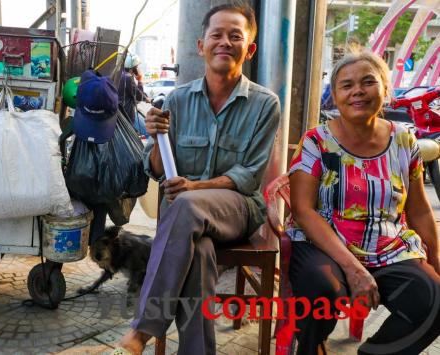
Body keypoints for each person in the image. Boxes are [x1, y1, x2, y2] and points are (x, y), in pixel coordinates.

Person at [113, 2, 281, 354]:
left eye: (235, 36)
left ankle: (141, 332)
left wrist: (194, 188)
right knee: (200, 253)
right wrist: (157, 137)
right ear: (200, 45)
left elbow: (249, 177)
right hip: (187, 220)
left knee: (187, 204)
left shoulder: (265, 104)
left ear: (248, 49)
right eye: (216, 35)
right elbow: (157, 171)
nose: (224, 42)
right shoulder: (175, 99)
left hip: (239, 211)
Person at [287, 48, 440, 354]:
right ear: (335, 95)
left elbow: (419, 209)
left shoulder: (403, 140)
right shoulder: (316, 141)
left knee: (434, 301)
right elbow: (303, 211)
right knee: (321, 293)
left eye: (367, 82)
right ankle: (309, 347)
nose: (357, 91)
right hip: (324, 244)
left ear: (385, 89)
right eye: (346, 84)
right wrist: (354, 269)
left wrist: (436, 260)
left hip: (388, 248)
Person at [118, 53, 149, 127]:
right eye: (137, 67)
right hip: (126, 113)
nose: (138, 69)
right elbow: (139, 96)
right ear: (133, 68)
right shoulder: (128, 78)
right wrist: (140, 80)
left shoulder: (120, 75)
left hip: (119, 112)